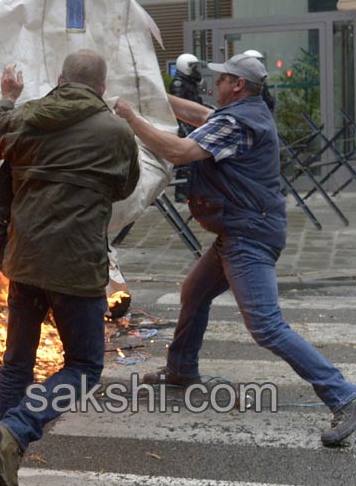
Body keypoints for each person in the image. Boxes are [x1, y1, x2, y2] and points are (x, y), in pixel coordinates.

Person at [113, 52, 356, 449]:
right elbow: (199, 113)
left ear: (238, 85)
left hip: (249, 234)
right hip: (239, 229)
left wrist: (131, 118)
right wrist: (152, 95)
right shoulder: (244, 112)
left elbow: (178, 152)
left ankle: (343, 394)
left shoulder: (237, 120)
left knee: (266, 326)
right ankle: (181, 370)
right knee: (194, 292)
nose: (216, 82)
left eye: (223, 78)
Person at [0, 50, 140, 486]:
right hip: (77, 267)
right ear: (101, 88)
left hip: (24, 259)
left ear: (61, 79)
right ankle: (14, 431)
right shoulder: (116, 131)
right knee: (84, 367)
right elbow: (124, 187)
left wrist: (7, 98)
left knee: (16, 366)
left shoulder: (26, 115)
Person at [169, 53, 206, 201]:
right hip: (185, 126)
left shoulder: (189, 82)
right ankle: (181, 193)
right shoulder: (179, 84)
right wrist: (186, 130)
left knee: (192, 161)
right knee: (186, 161)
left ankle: (189, 191)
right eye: (193, 67)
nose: (196, 70)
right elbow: (179, 110)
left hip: (191, 124)